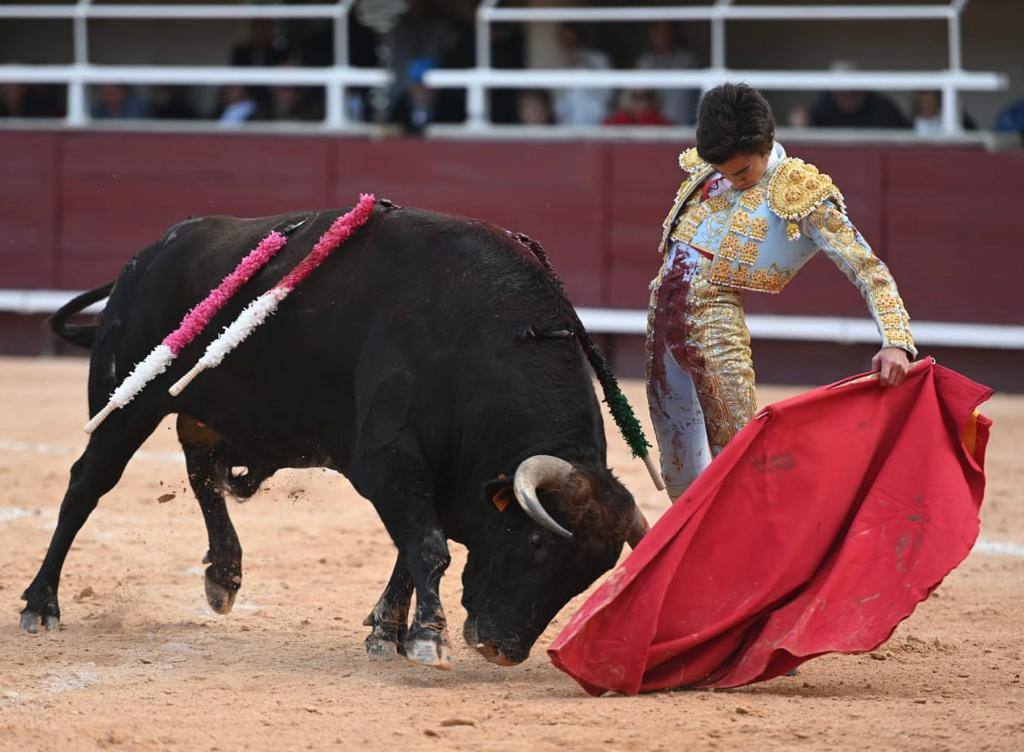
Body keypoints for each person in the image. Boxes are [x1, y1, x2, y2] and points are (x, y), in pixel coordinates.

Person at [648, 83, 916, 498]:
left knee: (735, 462)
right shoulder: (711, 172)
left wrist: (896, 340)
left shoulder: (797, 191)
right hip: (661, 328)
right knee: (679, 469)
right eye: (722, 172)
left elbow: (866, 267)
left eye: (741, 173)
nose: (731, 182)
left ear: (768, 141)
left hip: (715, 331)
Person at [635, 21, 698, 125]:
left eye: (666, 31)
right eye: (658, 32)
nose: (663, 36)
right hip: (650, 122)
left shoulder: (687, 60)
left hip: (679, 123)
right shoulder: (645, 61)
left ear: (675, 34)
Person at [552, 23, 612, 126]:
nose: (570, 45)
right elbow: (558, 103)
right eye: (566, 41)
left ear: (582, 40)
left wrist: (583, 68)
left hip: (597, 124)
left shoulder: (599, 60)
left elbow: (608, 95)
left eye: (574, 41)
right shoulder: (558, 66)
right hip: (568, 128)